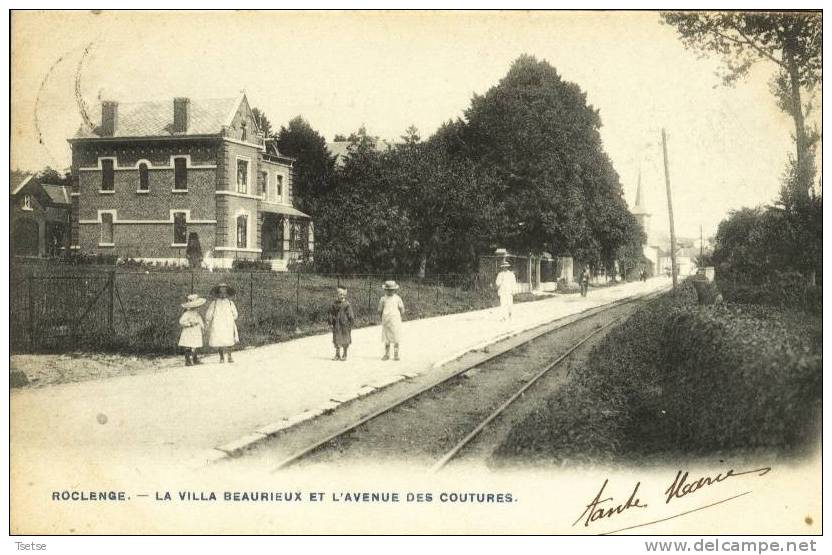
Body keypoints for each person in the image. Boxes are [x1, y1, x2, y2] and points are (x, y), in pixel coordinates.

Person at [206, 282, 239, 363]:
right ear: (218, 294)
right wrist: (209, 320)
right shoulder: (214, 303)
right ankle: (221, 357)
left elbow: (235, 314)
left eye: (224, 292)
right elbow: (209, 314)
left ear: (227, 293)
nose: (223, 294)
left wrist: (231, 319)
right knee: (219, 339)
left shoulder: (230, 303)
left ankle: (229, 356)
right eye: (221, 292)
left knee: (229, 339)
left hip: (228, 324)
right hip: (218, 323)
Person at [378, 280, 405, 361]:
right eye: (388, 290)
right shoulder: (383, 299)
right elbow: (380, 310)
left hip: (395, 320)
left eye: (392, 290)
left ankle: (396, 354)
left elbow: (401, 308)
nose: (390, 292)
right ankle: (387, 354)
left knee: (396, 337)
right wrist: (381, 317)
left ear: (395, 290)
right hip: (386, 321)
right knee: (387, 338)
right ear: (385, 290)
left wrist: (400, 316)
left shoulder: (397, 298)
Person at [178, 293, 206, 366]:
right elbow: (181, 321)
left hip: (196, 331)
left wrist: (203, 327)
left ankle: (195, 359)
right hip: (189, 331)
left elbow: (200, 321)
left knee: (195, 345)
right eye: (195, 306)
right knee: (188, 345)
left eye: (197, 306)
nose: (196, 308)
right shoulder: (187, 313)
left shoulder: (197, 313)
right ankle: (187, 360)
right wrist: (189, 324)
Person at [328, 287, 355, 361]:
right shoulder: (334, 304)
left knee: (345, 339)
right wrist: (330, 322)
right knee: (336, 339)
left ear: (345, 295)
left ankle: (345, 354)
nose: (342, 296)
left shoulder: (347, 304)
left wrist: (351, 322)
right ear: (337, 295)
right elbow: (330, 313)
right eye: (340, 294)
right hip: (336, 325)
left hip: (345, 325)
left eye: (343, 294)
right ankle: (337, 354)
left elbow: (350, 315)